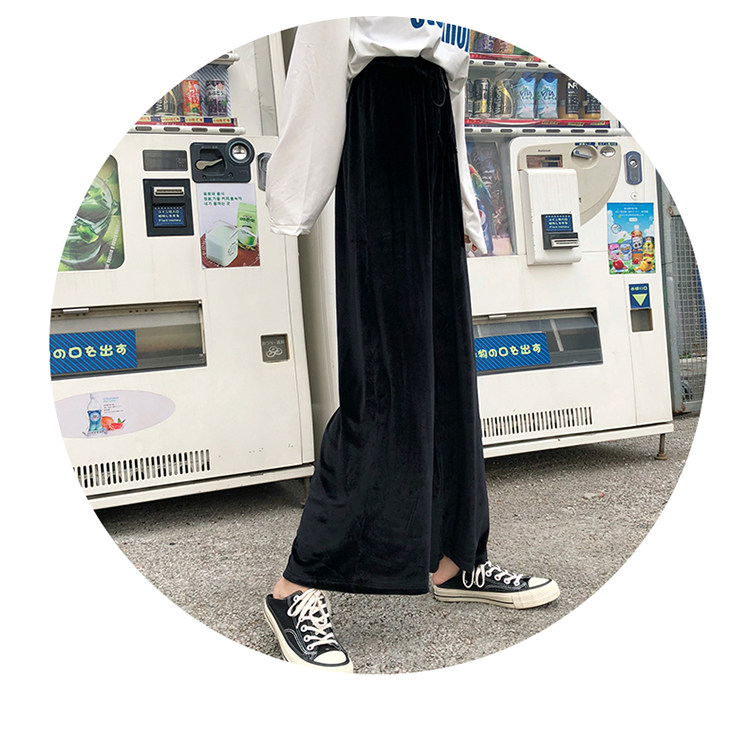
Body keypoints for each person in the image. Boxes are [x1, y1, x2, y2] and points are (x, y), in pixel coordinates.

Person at [263, 16, 559, 673]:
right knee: (386, 378)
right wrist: (294, 196)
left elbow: (453, 87)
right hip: (383, 120)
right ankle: (295, 587)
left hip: (431, 127)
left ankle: (457, 559)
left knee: (448, 374)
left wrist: (464, 201)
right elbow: (318, 60)